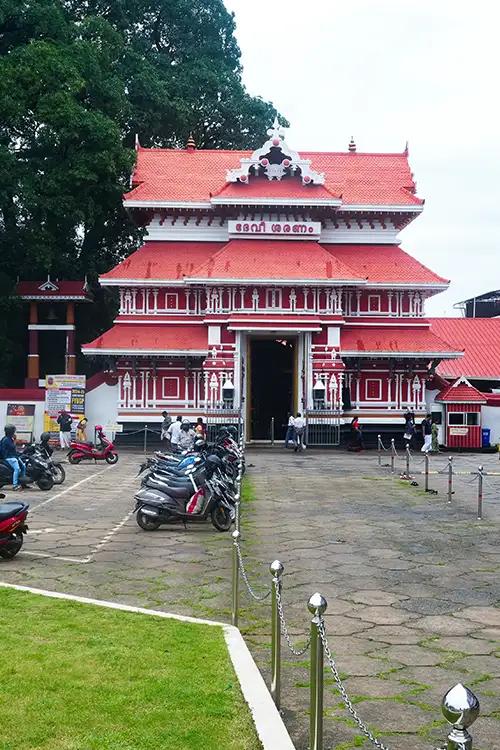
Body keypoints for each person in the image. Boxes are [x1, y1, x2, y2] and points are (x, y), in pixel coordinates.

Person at [0, 425, 26, 491]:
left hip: (14, 456)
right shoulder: (6, 439)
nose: (14, 433)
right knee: (17, 469)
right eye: (13, 431)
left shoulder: (8, 438)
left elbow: (14, 449)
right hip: (9, 457)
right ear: (11, 432)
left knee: (23, 467)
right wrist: (15, 440)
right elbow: (12, 447)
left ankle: (23, 483)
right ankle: (15, 485)